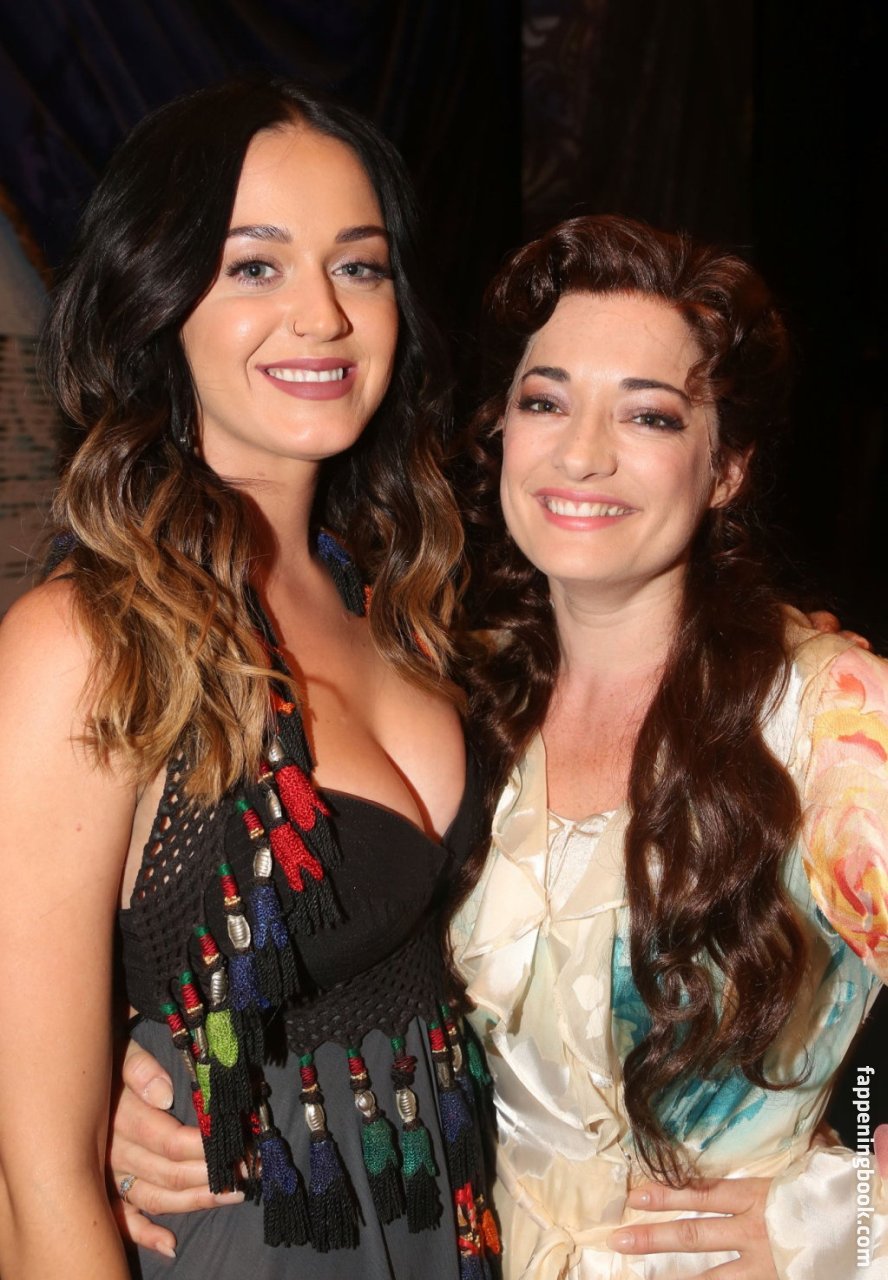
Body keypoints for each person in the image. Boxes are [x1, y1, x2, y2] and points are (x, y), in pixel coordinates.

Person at [0, 77, 499, 1280]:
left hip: (448, 1228)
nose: (321, 314)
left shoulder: (404, 600)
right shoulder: (85, 643)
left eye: (359, 265)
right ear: (159, 298)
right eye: (256, 266)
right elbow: (38, 1182)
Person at [448, 214, 888, 1278]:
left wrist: (858, 1222)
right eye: (545, 400)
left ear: (726, 466)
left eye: (648, 414)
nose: (581, 452)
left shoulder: (830, 717)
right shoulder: (453, 696)